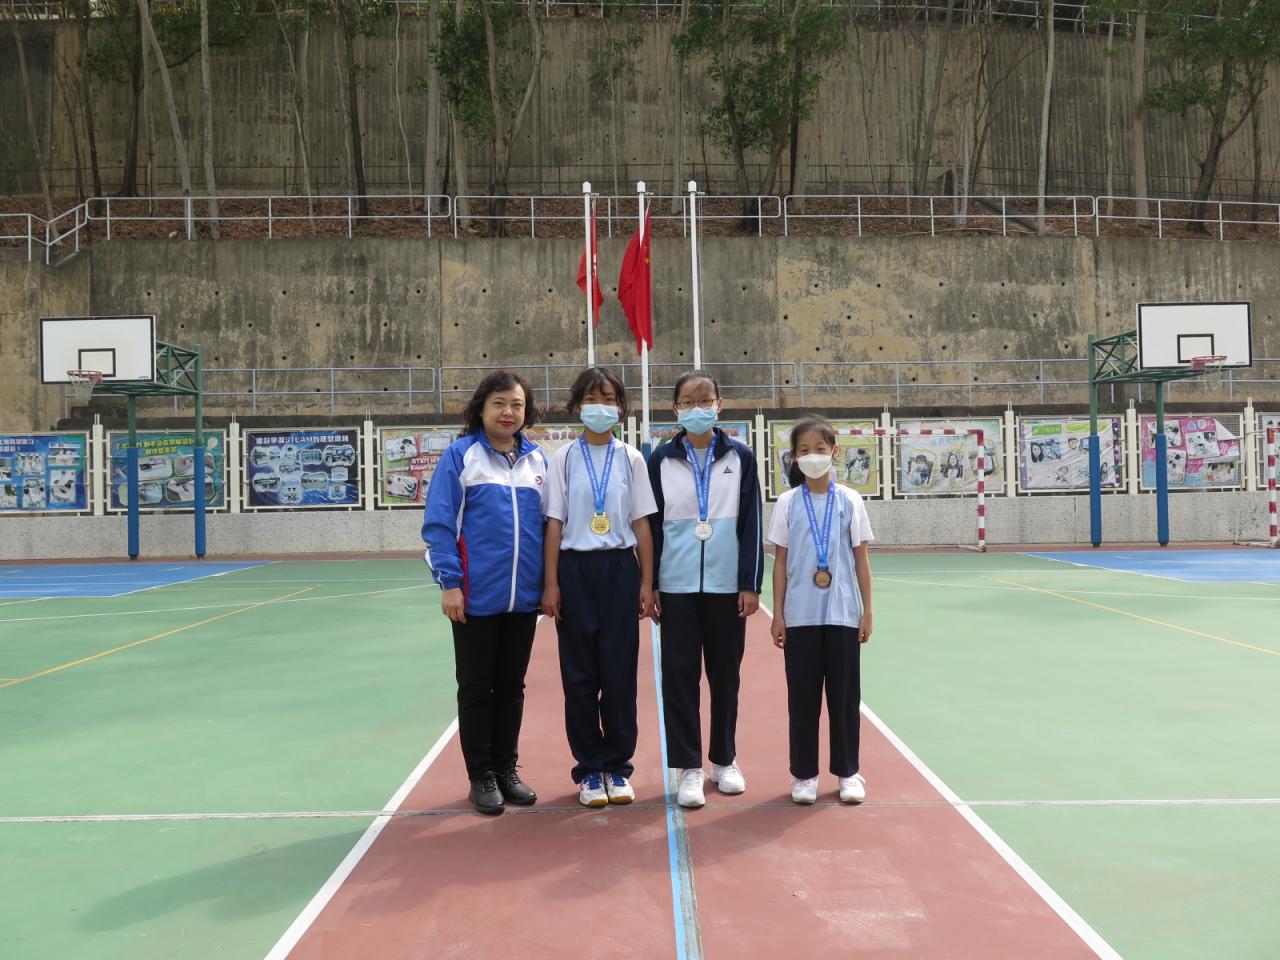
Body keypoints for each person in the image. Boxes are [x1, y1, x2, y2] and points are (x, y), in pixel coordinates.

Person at [421, 370, 548, 816]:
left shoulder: (538, 461)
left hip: (523, 600)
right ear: (481, 408)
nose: (508, 412)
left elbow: (548, 527)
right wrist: (450, 585)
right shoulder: (461, 457)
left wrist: (546, 586)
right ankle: (481, 776)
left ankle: (507, 769)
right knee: (476, 688)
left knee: (512, 687)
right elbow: (440, 526)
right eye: (499, 403)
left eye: (516, 404)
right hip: (475, 598)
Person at [541, 366, 657, 808]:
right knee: (580, 676)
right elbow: (555, 523)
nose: (600, 407)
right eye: (591, 399)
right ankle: (590, 769)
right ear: (577, 407)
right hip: (575, 570)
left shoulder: (631, 458)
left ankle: (618, 767)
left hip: (619, 570)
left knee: (619, 673)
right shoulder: (563, 458)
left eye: (608, 399)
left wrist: (647, 582)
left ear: (621, 407)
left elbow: (641, 523)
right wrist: (551, 583)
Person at [648, 370, 764, 809]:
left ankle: (724, 760)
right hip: (676, 588)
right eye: (687, 401)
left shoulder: (741, 457)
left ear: (719, 404)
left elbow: (752, 522)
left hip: (725, 587)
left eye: (704, 400)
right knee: (679, 678)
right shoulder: (660, 459)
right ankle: (688, 767)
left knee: (725, 676)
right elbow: (651, 528)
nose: (696, 408)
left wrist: (749, 583)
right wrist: (652, 584)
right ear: (675, 409)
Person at [767, 416, 874, 806]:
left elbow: (861, 560)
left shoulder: (850, 500)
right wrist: (778, 614)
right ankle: (804, 775)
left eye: (820, 449)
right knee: (803, 700)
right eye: (804, 450)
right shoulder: (787, 503)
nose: (813, 456)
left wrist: (867, 610)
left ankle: (848, 772)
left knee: (844, 700)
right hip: (801, 617)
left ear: (835, 452)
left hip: (843, 615)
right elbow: (780, 563)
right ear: (794, 457)